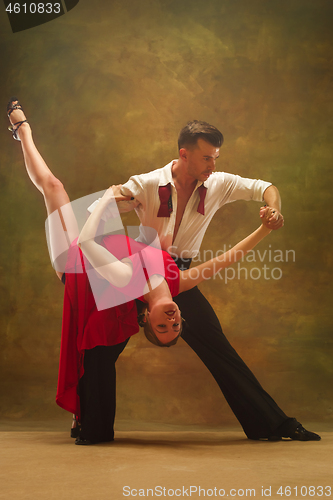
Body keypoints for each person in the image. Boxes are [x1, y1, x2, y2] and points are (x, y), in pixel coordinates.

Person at [7, 99, 275, 445]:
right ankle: (89, 418)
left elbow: (87, 243)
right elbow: (229, 257)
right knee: (58, 190)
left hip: (77, 266)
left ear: (146, 315)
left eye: (162, 326)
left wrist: (104, 202)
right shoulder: (178, 281)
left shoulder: (128, 282)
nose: (173, 320)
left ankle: (22, 131)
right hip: (106, 249)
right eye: (175, 325)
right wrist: (266, 230)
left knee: (53, 186)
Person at [103, 120, 320, 442]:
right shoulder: (148, 182)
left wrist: (273, 210)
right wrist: (115, 198)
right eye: (207, 158)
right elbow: (114, 200)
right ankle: (90, 425)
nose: (213, 165)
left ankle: (275, 425)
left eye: (215, 157)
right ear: (184, 154)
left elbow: (266, 187)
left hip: (181, 278)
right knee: (100, 348)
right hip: (140, 273)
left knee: (220, 350)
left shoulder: (218, 183)